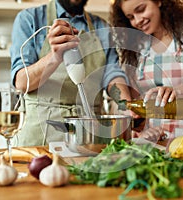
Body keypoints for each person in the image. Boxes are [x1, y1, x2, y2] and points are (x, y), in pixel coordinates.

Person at [10, 0, 129, 146]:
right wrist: (54, 57)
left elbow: (112, 76)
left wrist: (125, 105)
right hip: (39, 139)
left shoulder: (102, 27)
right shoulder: (30, 19)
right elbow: (22, 83)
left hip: (89, 138)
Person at [110, 0, 183, 139]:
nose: (137, 20)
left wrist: (176, 91)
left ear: (158, 1)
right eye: (130, 17)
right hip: (154, 135)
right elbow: (135, 98)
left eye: (141, 9)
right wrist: (137, 126)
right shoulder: (136, 46)